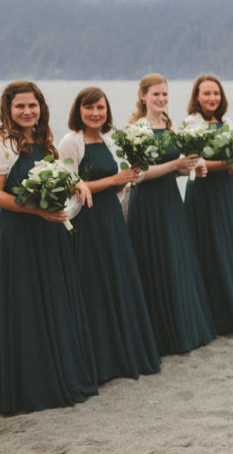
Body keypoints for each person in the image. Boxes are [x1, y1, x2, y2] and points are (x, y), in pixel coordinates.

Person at [0, 81, 96, 413]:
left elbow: (62, 175)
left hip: (49, 232)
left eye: (33, 105)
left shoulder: (46, 142)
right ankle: (28, 385)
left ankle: (57, 373)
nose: (28, 111)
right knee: (24, 301)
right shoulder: (0, 144)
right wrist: (36, 210)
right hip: (18, 233)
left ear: (41, 107)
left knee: (53, 297)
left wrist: (78, 184)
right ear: (8, 109)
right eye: (20, 106)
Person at [57, 88, 160, 383]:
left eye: (100, 108)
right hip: (86, 222)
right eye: (89, 108)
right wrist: (114, 180)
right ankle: (98, 360)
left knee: (117, 280)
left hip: (111, 217)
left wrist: (127, 178)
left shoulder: (110, 139)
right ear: (79, 111)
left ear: (107, 111)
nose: (95, 113)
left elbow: (118, 184)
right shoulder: (70, 142)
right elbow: (70, 186)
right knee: (91, 284)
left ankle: (121, 355)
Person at [125, 74, 217, 355]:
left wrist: (191, 168)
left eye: (165, 94)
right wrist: (175, 165)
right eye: (156, 95)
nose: (162, 99)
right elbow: (138, 174)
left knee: (176, 259)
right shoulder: (136, 128)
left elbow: (172, 168)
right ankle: (159, 333)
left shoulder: (168, 124)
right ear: (143, 96)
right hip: (148, 204)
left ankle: (183, 328)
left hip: (170, 201)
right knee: (154, 259)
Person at [183, 75, 233, 336]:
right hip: (203, 193)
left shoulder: (227, 124)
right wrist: (224, 166)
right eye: (206, 94)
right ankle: (214, 317)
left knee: (230, 248)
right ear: (197, 97)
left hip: (226, 193)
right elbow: (192, 162)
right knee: (208, 249)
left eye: (215, 93)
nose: (212, 98)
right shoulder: (190, 124)